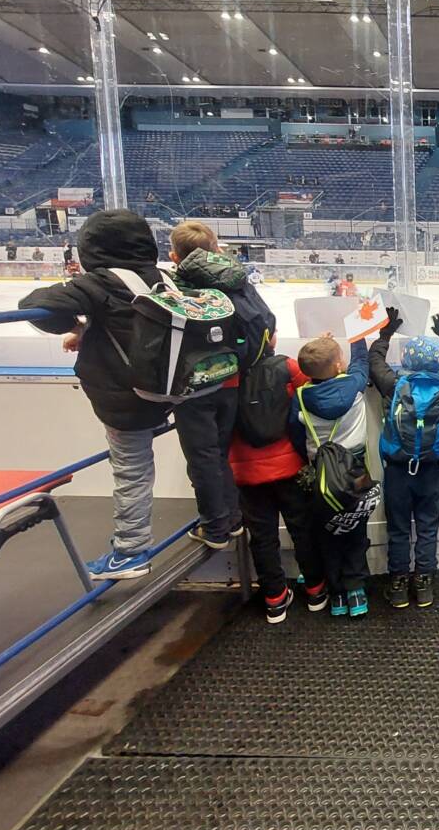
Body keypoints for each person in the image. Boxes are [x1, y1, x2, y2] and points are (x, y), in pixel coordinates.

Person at [18, 209, 169, 580]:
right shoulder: (163, 277)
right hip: (170, 390)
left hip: (126, 399)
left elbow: (36, 305)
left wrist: (74, 323)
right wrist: (86, 328)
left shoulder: (101, 283)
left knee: (131, 471)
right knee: (144, 464)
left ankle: (131, 550)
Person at [169, 221, 274, 551]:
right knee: (218, 452)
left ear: (174, 256)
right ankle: (231, 518)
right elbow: (267, 325)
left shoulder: (175, 283)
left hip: (195, 384)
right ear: (216, 248)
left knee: (202, 457)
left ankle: (215, 527)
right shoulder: (236, 278)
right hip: (232, 379)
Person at [369, 310, 439, 609]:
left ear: (406, 361)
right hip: (430, 469)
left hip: (397, 470)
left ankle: (398, 586)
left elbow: (374, 360)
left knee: (398, 528)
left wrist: (386, 333)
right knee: (428, 527)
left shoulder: (393, 384)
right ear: (438, 361)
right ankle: (425, 584)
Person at [229, 341, 326, 624]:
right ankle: (316, 590)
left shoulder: (226, 373)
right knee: (303, 529)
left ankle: (274, 599)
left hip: (246, 472)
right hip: (289, 468)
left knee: (262, 537)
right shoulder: (287, 367)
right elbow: (315, 386)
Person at [294, 332, 382, 617]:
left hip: (319, 474)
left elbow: (294, 432)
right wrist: (357, 334)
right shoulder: (353, 385)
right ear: (338, 366)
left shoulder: (301, 396)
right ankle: (356, 593)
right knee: (355, 529)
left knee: (327, 534)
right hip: (354, 471)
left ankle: (337, 596)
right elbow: (361, 362)